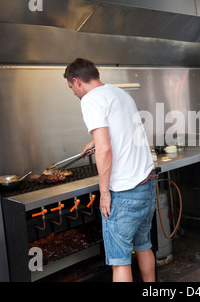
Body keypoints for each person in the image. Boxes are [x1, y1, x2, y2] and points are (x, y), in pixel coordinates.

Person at [63, 58, 156, 282]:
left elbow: (104, 151)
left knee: (120, 261)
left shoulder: (90, 99)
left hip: (124, 193)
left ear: (76, 81)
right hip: (147, 184)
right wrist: (95, 142)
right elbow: (120, 133)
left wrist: (104, 194)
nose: (74, 93)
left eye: (71, 88)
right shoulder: (119, 93)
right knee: (144, 246)